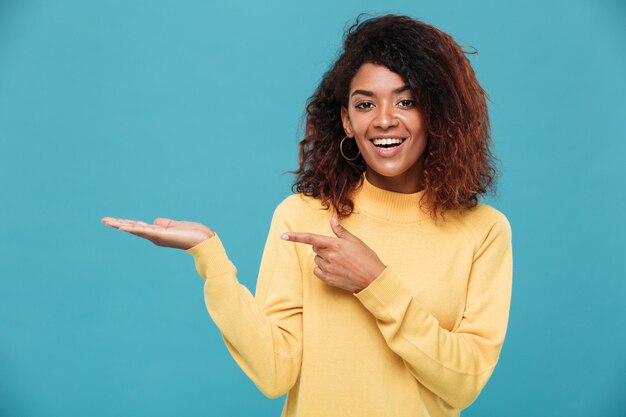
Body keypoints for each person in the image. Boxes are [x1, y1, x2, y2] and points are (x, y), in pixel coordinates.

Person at [101, 14, 513, 417]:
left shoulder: (483, 231)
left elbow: (465, 382)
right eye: (365, 103)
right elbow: (274, 373)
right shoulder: (301, 217)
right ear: (347, 122)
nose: (384, 119)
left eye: (406, 101)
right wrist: (211, 259)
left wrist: (375, 282)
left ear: (437, 114)